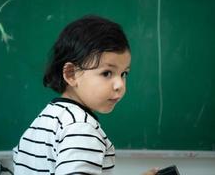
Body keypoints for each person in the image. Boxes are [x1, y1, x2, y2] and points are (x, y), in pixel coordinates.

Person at [13, 15, 157, 175]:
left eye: (124, 74)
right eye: (107, 73)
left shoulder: (43, 122)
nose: (120, 85)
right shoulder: (81, 128)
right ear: (71, 74)